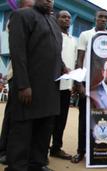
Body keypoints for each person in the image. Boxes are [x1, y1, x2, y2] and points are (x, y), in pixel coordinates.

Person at [6, 0, 65, 170]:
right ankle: (17, 166)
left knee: (44, 128)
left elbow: (55, 49)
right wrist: (23, 85)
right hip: (30, 86)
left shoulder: (54, 22)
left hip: (50, 87)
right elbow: (18, 52)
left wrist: (63, 67)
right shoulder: (22, 15)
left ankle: (37, 164)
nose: (48, 0)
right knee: (23, 130)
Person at [71, 9, 107, 163]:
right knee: (84, 119)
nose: (103, 19)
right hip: (87, 83)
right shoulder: (85, 35)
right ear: (95, 18)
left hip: (103, 86)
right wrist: (79, 82)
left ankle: (98, 151)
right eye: (100, 17)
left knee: (103, 119)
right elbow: (79, 59)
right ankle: (81, 151)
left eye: (106, 18)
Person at [0, 0, 35, 165]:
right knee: (12, 116)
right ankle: (3, 150)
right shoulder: (16, 18)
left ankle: (17, 151)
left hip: (32, 76)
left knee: (22, 117)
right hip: (17, 76)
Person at [49, 10, 77, 160]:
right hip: (52, 84)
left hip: (66, 86)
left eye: (69, 17)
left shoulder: (73, 40)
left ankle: (56, 148)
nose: (66, 19)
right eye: (63, 17)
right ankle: (40, 148)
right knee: (48, 119)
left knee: (61, 120)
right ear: (57, 19)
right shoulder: (53, 36)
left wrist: (73, 82)